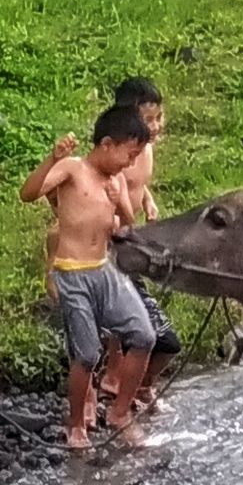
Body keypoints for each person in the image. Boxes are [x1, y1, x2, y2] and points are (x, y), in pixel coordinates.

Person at [20, 106, 156, 449]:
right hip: (72, 272)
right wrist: (52, 159)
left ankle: (120, 412)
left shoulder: (117, 180)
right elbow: (29, 194)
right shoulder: (73, 169)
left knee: (143, 334)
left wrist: (120, 205)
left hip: (103, 268)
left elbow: (126, 225)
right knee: (87, 354)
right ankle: (76, 422)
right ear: (108, 144)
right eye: (130, 153)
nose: (130, 163)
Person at [98, 77, 182, 410]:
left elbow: (137, 183)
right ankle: (116, 378)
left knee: (144, 323)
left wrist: (147, 199)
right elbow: (113, 186)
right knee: (133, 322)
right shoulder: (118, 154)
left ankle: (140, 387)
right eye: (149, 120)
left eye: (159, 117)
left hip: (131, 238)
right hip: (115, 241)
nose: (157, 126)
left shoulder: (144, 150)